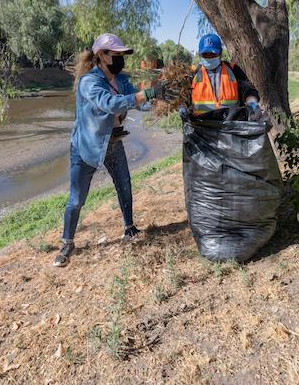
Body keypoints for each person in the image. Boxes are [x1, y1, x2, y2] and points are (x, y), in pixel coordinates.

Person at [54, 33, 167, 267]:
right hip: (87, 146)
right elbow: (111, 104)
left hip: (113, 143)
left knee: (124, 185)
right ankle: (67, 241)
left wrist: (159, 98)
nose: (121, 59)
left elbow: (139, 101)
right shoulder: (89, 82)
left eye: (122, 55)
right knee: (77, 199)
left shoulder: (121, 79)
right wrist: (146, 94)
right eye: (117, 55)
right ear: (102, 56)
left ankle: (129, 227)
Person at [180, 33, 262, 121]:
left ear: (220, 53)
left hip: (231, 125)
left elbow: (248, 90)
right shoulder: (193, 75)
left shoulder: (233, 70)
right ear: (200, 55)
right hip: (202, 127)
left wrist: (253, 103)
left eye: (212, 54)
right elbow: (183, 96)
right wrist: (182, 107)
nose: (209, 57)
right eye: (205, 54)